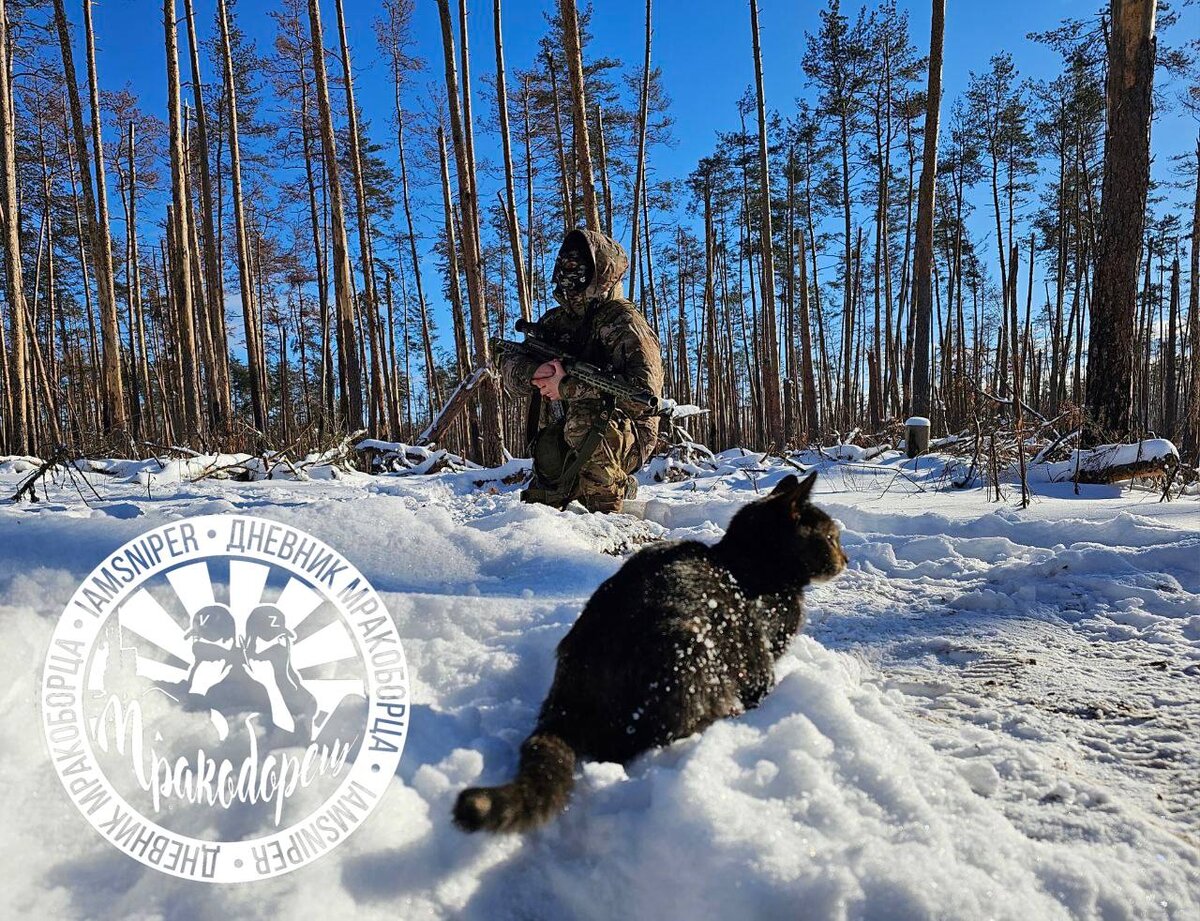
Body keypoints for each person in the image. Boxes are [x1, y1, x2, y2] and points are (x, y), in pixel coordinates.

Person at [500, 228, 664, 514]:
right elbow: (509, 367)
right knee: (548, 477)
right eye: (564, 266)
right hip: (566, 429)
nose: (567, 275)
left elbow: (643, 397)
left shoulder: (624, 322)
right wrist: (535, 371)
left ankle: (607, 516)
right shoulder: (554, 321)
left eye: (577, 268)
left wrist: (566, 386)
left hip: (626, 433)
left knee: (584, 421)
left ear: (600, 271)